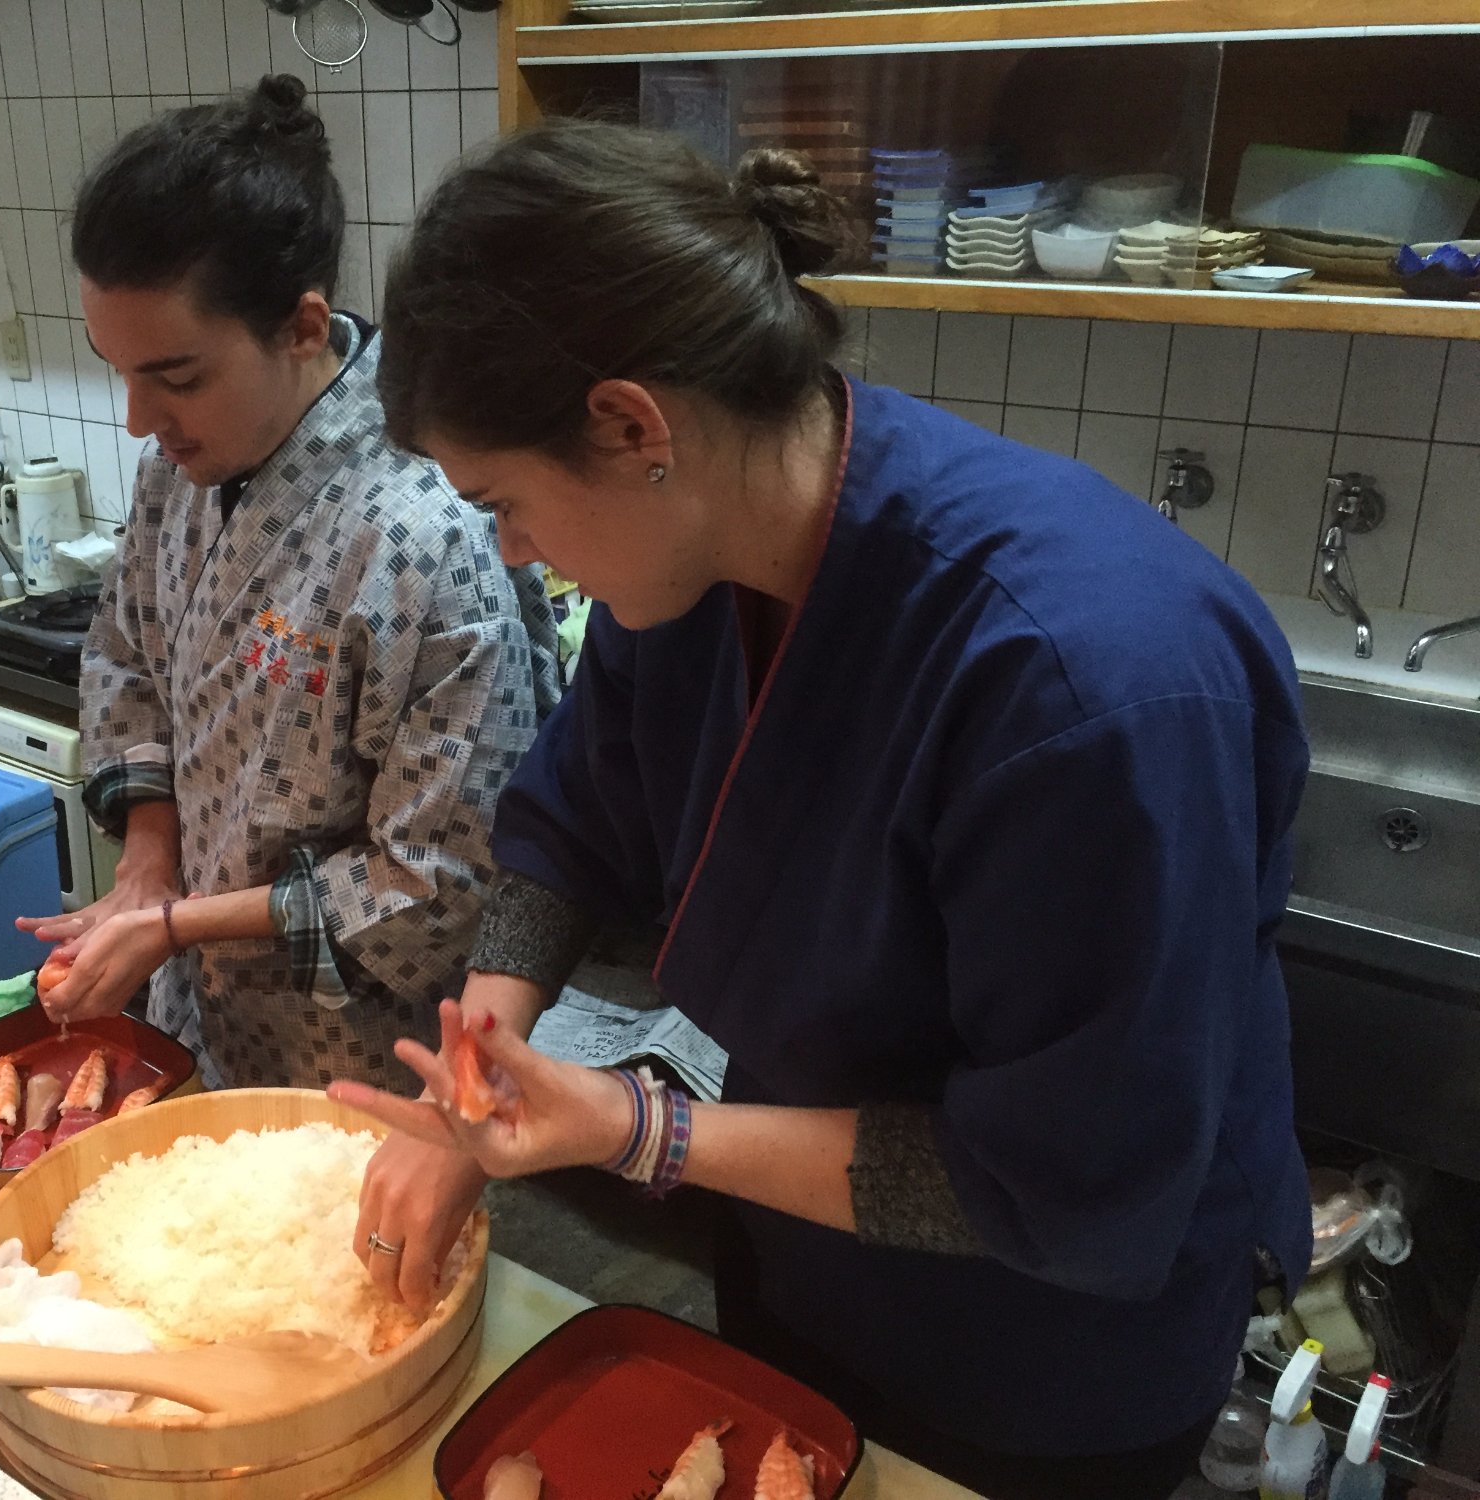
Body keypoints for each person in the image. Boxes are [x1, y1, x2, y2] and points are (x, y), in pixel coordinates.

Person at [331, 121, 1313, 1500]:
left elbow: (1046, 1181)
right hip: (800, 1261)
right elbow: (573, 830)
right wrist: (476, 1075)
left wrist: (630, 1126)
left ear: (630, 425)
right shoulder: (696, 556)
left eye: (504, 504)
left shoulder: (1077, 686)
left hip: (1045, 1360)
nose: (510, 552)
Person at [18, 76, 560, 1093]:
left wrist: (173, 920)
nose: (140, 420)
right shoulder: (178, 471)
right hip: (193, 1021)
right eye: (118, 371)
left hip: (361, 1064)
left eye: (175, 378)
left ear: (303, 326)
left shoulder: (427, 531)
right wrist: (145, 864)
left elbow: (437, 886)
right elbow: (125, 656)